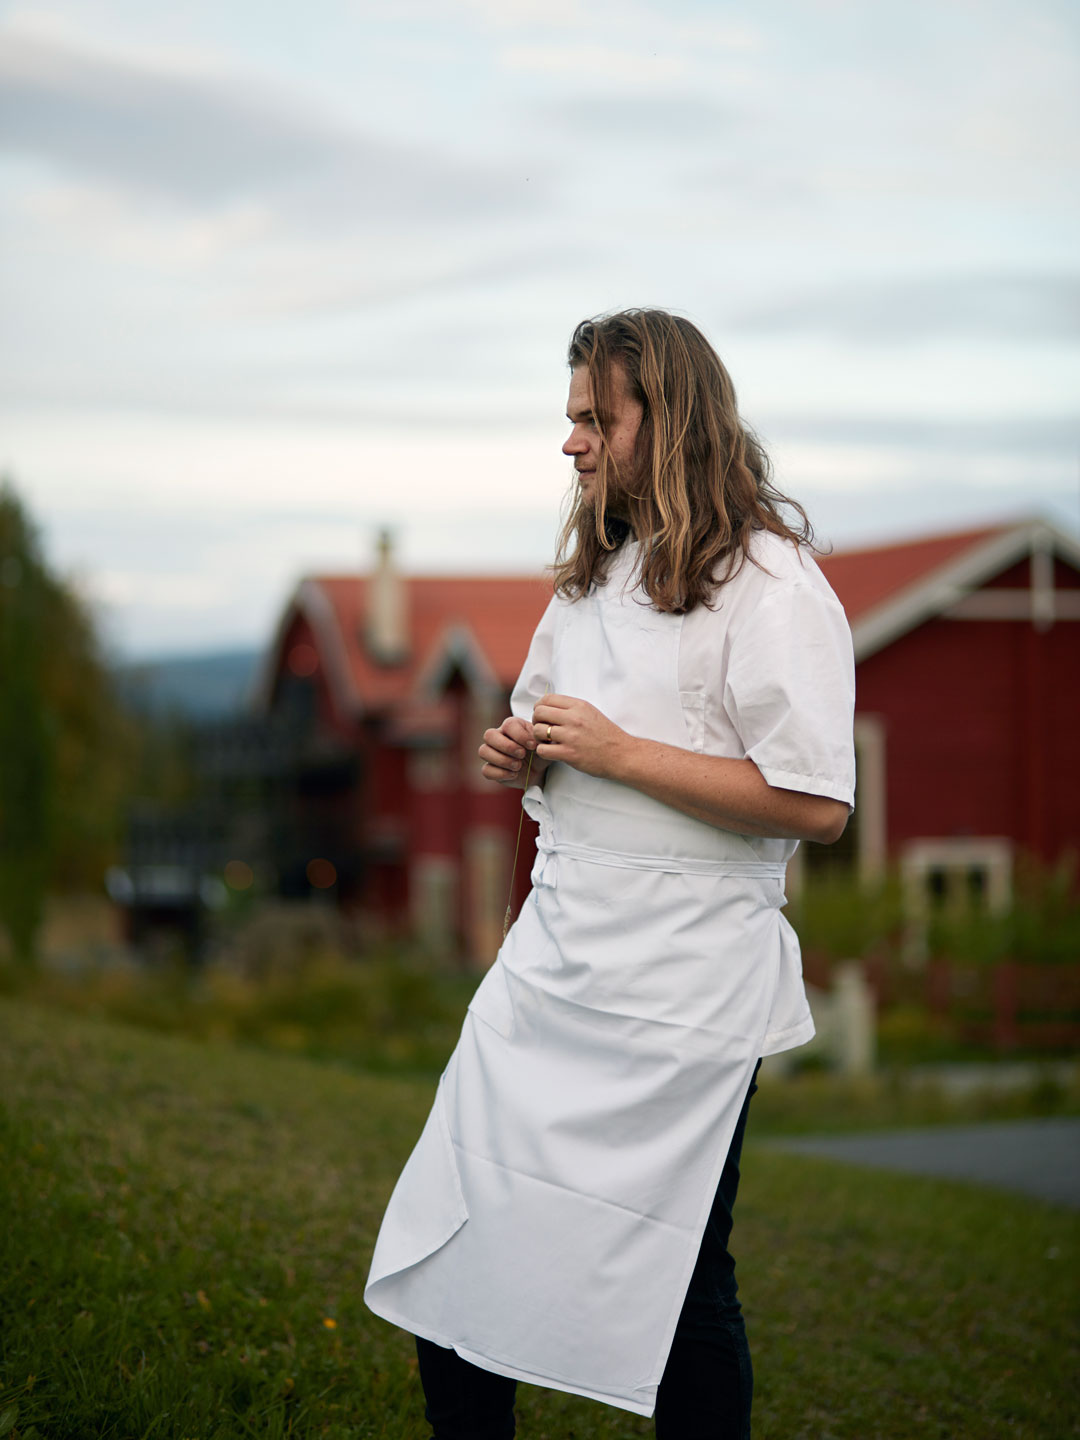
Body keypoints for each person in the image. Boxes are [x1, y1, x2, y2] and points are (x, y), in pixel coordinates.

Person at [365, 309, 856, 1438]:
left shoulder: (773, 585)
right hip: (553, 967)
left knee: (682, 1287)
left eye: (597, 418)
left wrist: (621, 755)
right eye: (572, 419)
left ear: (668, 420)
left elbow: (819, 803)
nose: (574, 442)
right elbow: (545, 727)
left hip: (686, 991)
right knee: (458, 1233)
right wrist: (513, 752)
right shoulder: (592, 576)